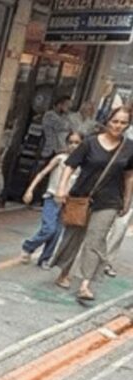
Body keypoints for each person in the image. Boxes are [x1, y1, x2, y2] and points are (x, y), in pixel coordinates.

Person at [51, 107, 133, 301]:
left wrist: (127, 200)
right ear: (107, 121)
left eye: (123, 123)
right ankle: (64, 271)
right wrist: (61, 189)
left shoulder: (129, 148)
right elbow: (70, 166)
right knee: (73, 236)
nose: (118, 126)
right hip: (81, 196)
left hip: (110, 200)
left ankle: (86, 283)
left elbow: (129, 175)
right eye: (115, 121)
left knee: (96, 239)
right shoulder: (89, 143)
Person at [21, 131, 82, 268]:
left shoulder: (82, 164)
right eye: (71, 142)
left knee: (57, 232)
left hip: (68, 202)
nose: (73, 146)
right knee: (49, 228)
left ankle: (44, 259)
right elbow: (42, 173)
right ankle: (28, 246)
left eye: (77, 143)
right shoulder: (60, 158)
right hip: (52, 197)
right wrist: (30, 189)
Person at [41, 96, 74, 168]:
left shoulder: (64, 117)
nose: (68, 109)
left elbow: (71, 127)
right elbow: (62, 126)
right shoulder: (50, 115)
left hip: (59, 148)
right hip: (50, 147)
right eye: (67, 106)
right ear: (60, 105)